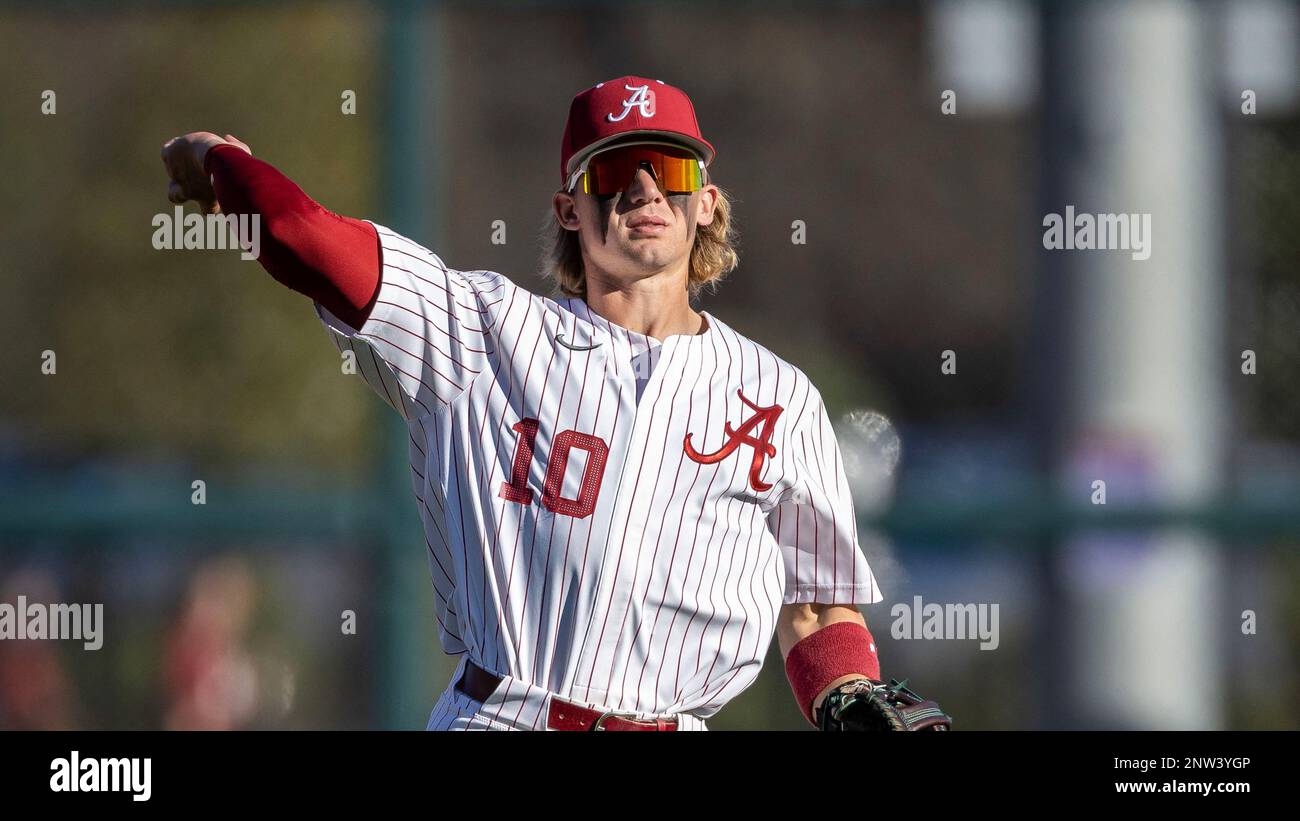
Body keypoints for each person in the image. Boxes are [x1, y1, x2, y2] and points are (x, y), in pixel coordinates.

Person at [161, 76, 887, 731]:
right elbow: (307, 240)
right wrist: (219, 159)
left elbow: (819, 603)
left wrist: (847, 696)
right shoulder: (481, 331)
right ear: (569, 209)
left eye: (667, 168)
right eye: (611, 170)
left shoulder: (778, 396)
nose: (642, 189)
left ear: (706, 201)